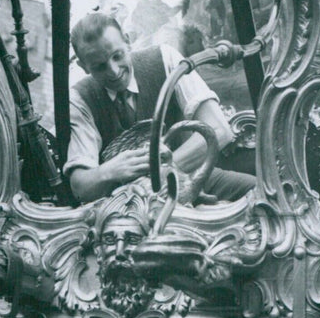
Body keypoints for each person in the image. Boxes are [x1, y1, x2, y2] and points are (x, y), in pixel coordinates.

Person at [65, 11, 255, 204]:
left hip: (194, 177)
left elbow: (219, 130)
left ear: (127, 40)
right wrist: (108, 171)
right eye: (99, 66)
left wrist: (160, 175)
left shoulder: (164, 58)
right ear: (83, 66)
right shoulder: (80, 98)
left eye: (117, 56)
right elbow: (79, 187)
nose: (113, 71)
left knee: (265, 197)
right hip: (128, 205)